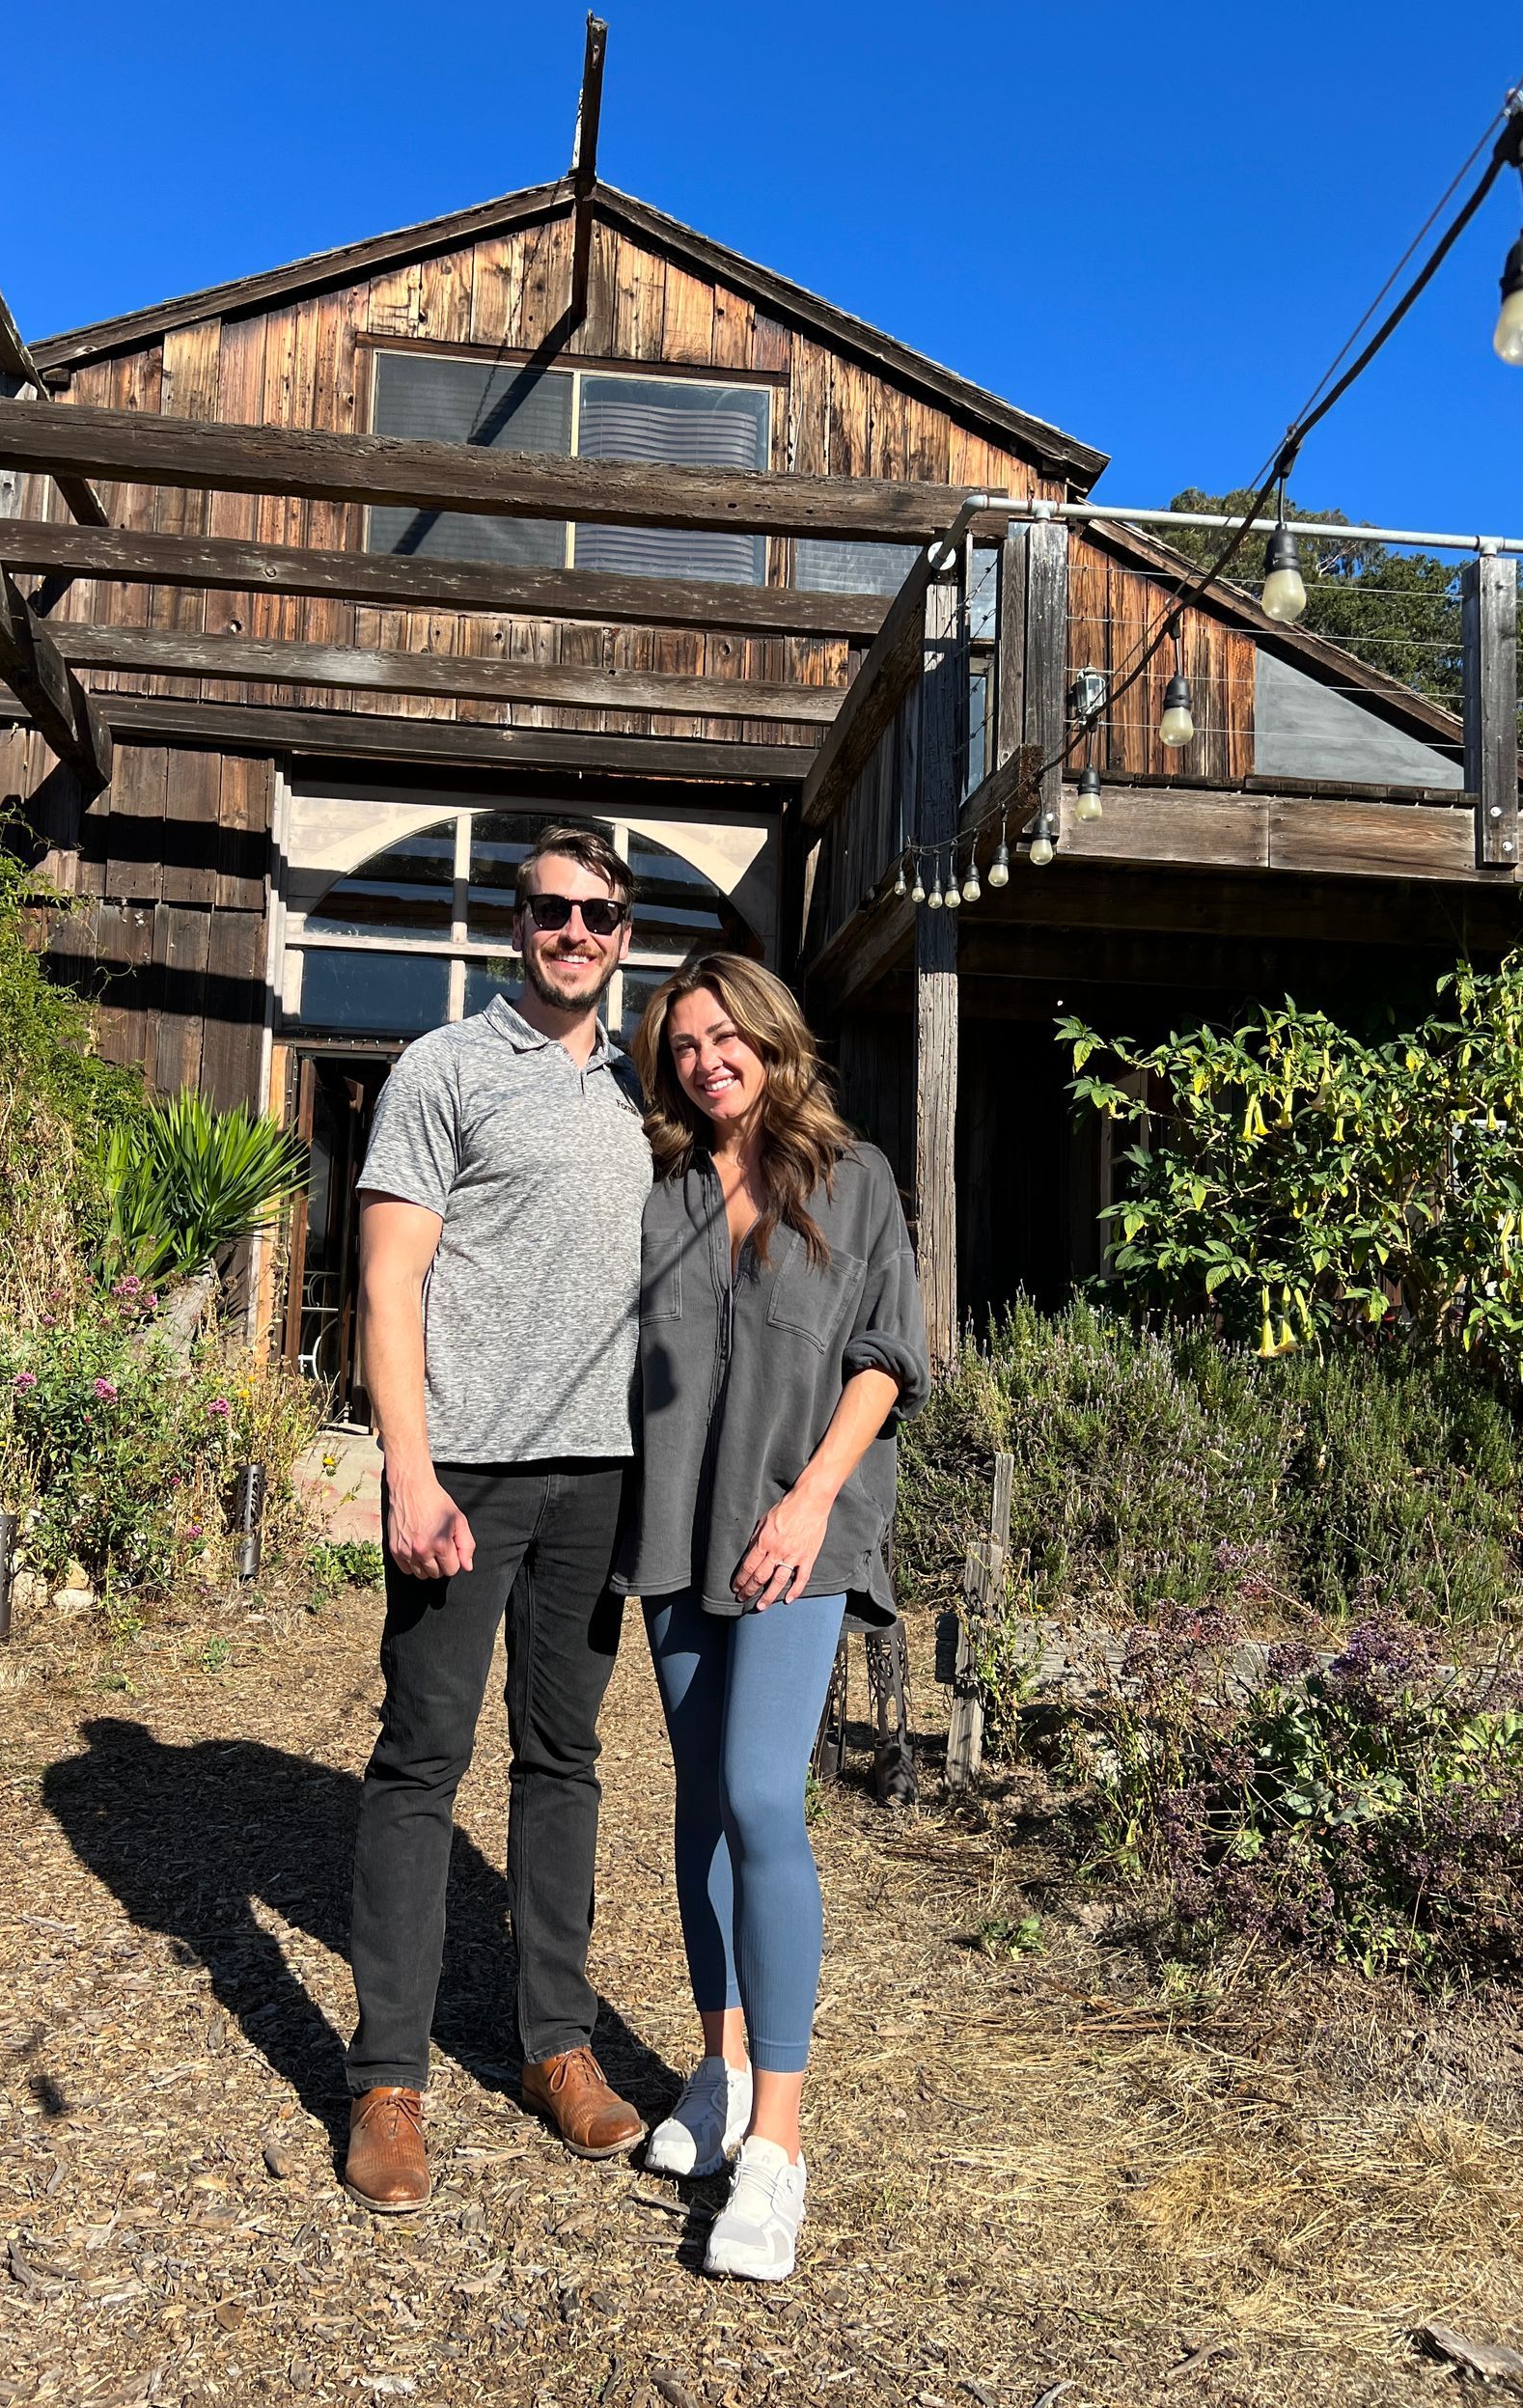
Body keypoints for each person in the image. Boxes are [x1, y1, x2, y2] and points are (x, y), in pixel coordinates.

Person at [342, 825, 653, 2213]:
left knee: (563, 1759)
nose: (570, 931)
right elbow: (389, 1281)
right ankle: (388, 2080)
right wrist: (407, 1470)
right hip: (464, 1470)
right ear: (513, 922)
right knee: (420, 1762)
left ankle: (556, 2047)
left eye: (593, 912)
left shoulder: (654, 1086)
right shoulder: (444, 1070)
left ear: (625, 932)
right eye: (547, 910)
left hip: (604, 1478)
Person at [612, 955, 928, 2282]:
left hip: (799, 1533)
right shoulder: (661, 1185)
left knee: (760, 1797)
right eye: (683, 1042)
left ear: (773, 1039)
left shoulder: (852, 1177)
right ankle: (719, 2066)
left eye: (725, 1033)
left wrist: (807, 1505)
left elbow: (885, 1357)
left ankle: (780, 2150)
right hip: (680, 1530)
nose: (706, 1057)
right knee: (697, 1807)